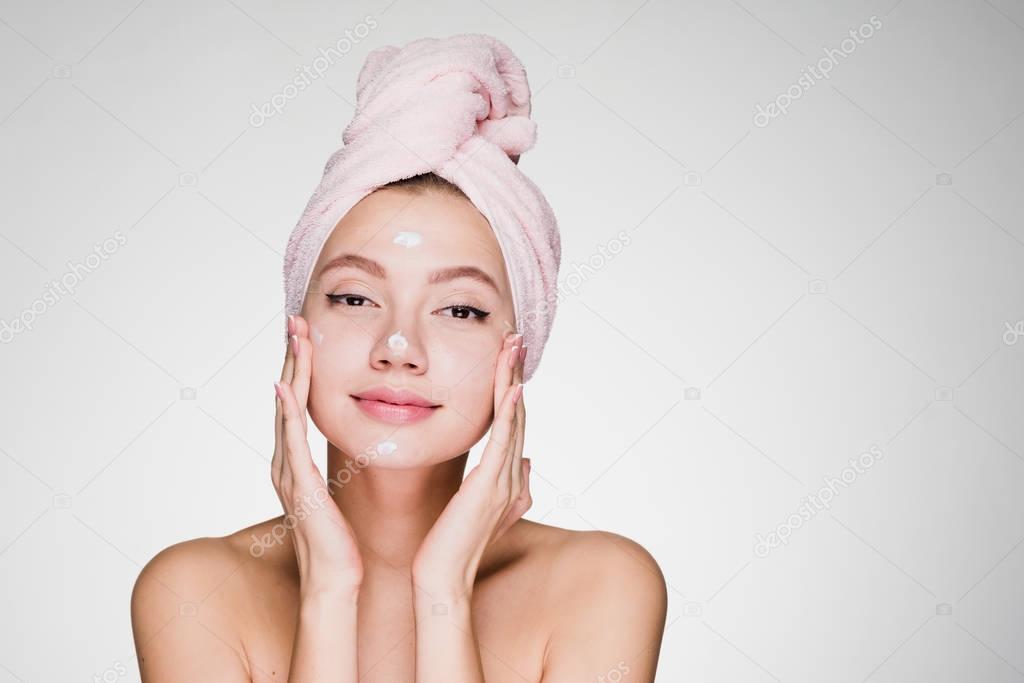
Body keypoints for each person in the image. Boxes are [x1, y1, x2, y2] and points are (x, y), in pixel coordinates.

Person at [130, 34, 667, 683]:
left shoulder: (601, 585)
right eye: (356, 297)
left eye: (460, 309)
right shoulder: (195, 593)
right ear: (296, 330)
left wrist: (444, 594)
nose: (399, 348)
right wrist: (328, 591)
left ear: (517, 354)